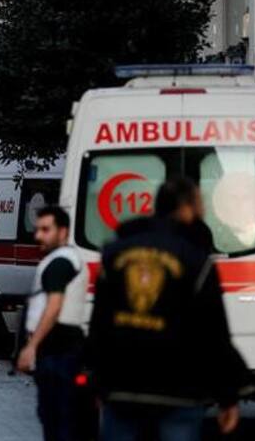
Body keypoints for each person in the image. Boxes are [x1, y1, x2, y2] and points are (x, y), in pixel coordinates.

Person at [88, 178, 246, 441]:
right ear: (186, 208)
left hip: (123, 386)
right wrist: (228, 396)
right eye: (200, 204)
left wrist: (96, 380)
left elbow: (100, 323)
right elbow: (213, 332)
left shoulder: (115, 253)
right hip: (179, 389)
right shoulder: (196, 259)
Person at [15, 206, 87, 441]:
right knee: (55, 418)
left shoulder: (61, 262)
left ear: (63, 231)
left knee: (60, 422)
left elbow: (54, 305)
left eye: (46, 230)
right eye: (37, 230)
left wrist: (32, 346)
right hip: (58, 353)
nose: (38, 236)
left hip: (59, 353)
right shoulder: (60, 259)